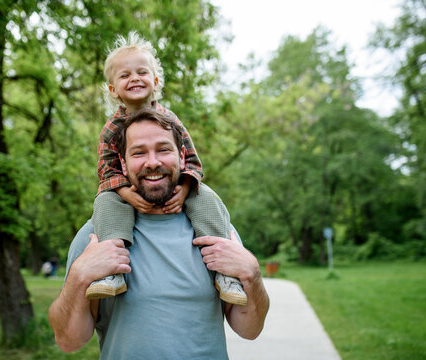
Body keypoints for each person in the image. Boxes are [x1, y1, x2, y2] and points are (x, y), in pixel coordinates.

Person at [48, 109, 269, 359]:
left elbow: (250, 329)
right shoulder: (97, 236)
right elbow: (68, 341)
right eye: (139, 152)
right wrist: (78, 276)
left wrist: (252, 273)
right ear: (122, 163)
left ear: (182, 156)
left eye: (163, 150)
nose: (152, 162)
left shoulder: (215, 231)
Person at [88, 31, 246, 306]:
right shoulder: (111, 130)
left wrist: (185, 190)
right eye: (124, 75)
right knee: (105, 203)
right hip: (130, 189)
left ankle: (225, 272)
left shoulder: (170, 121)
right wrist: (126, 194)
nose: (134, 78)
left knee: (206, 197)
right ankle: (112, 272)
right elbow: (107, 170)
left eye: (141, 72)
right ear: (113, 89)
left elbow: (193, 162)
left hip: (170, 185)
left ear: (156, 81)